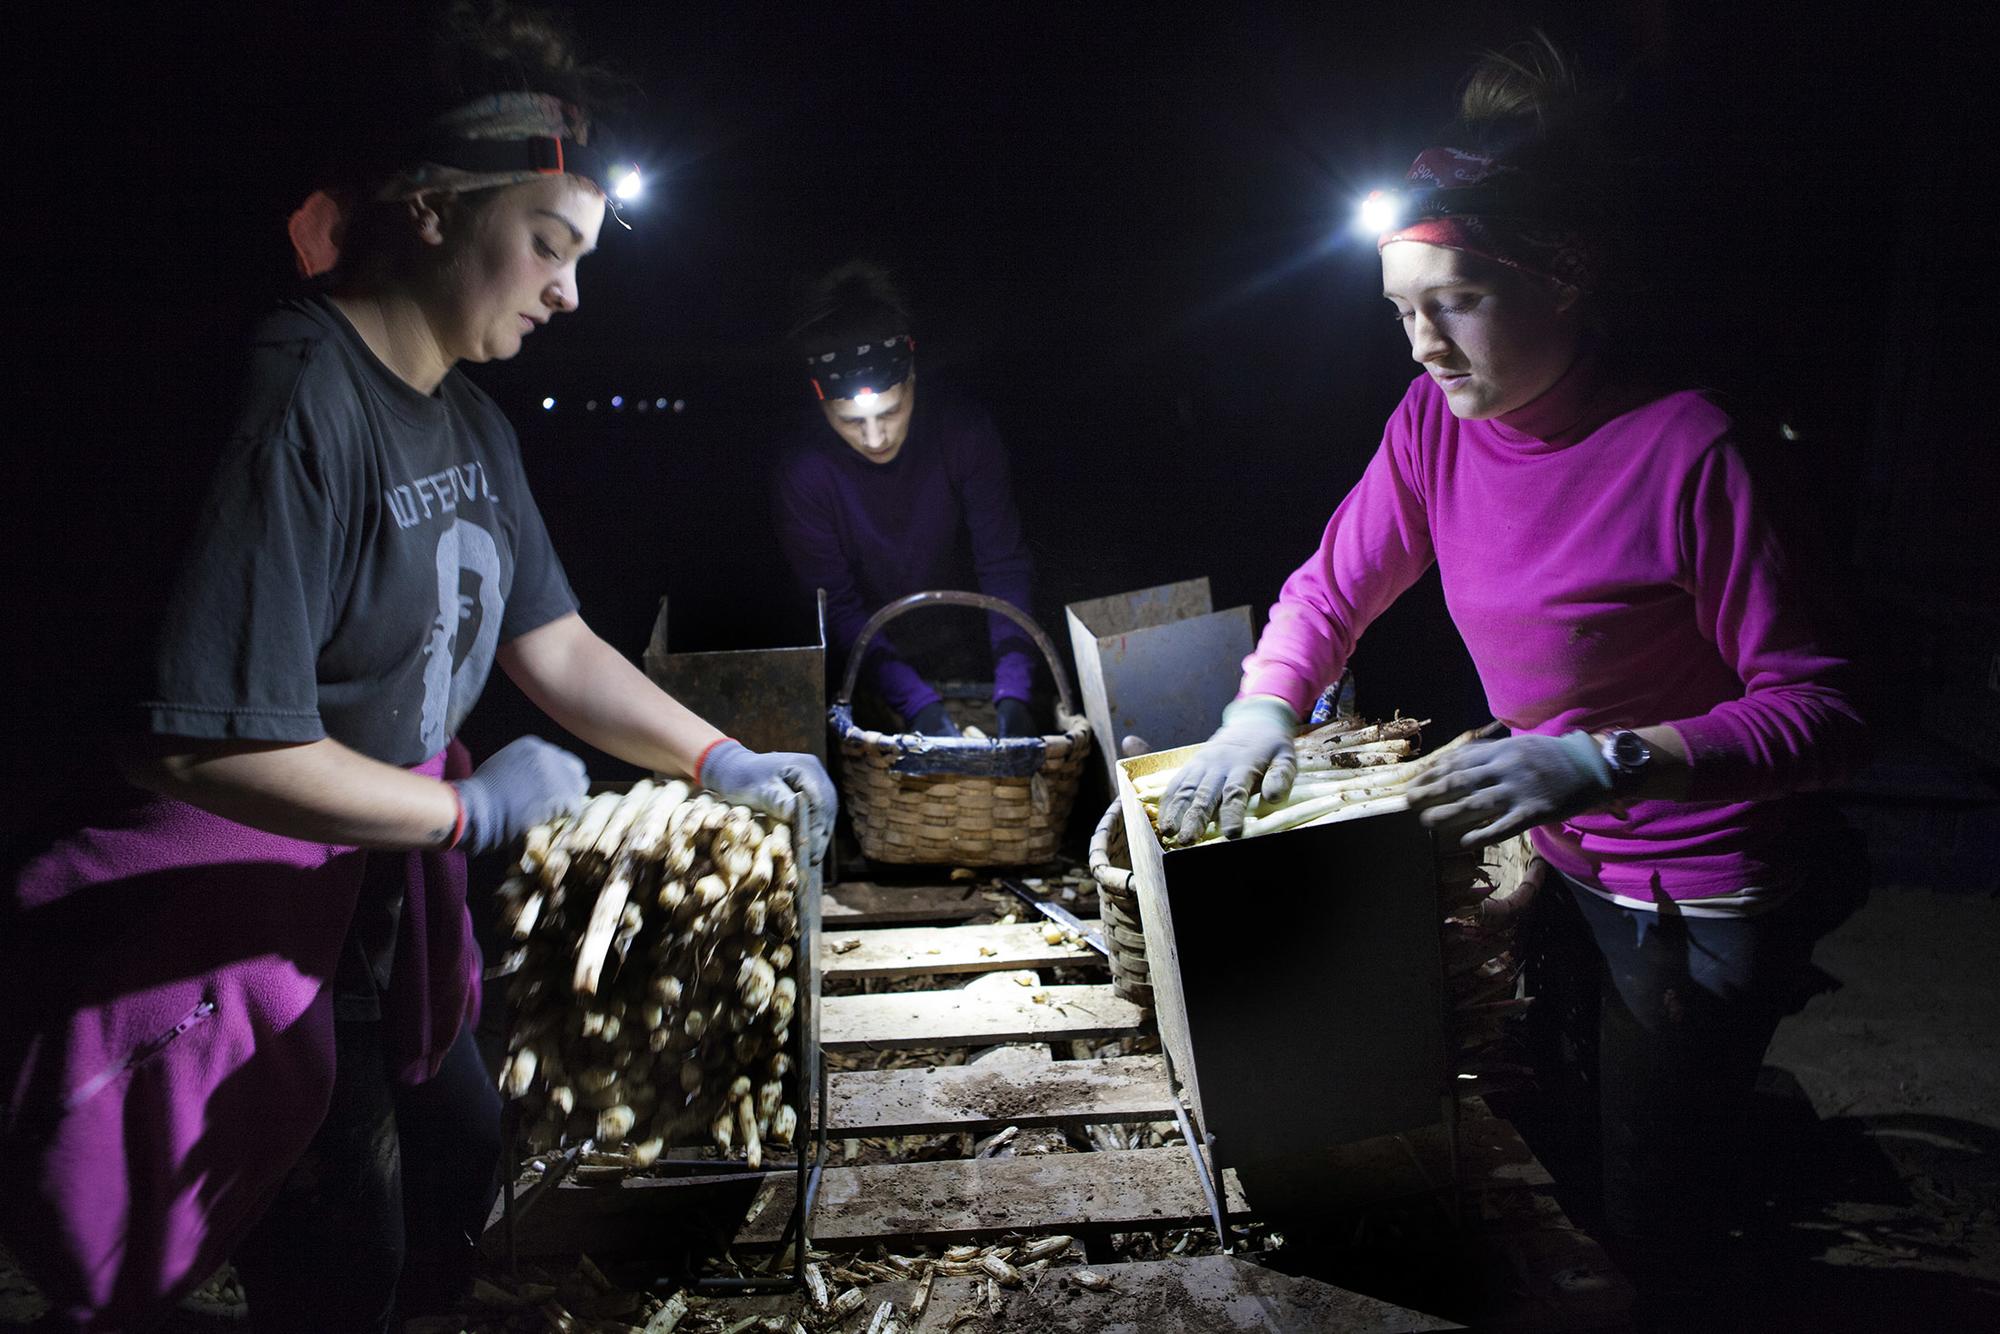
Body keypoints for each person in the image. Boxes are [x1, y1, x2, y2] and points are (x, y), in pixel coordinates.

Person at [0, 6, 834, 1330]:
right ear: (436, 208)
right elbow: (204, 744)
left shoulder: (470, 420)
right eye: (551, 246)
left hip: (370, 897)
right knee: (328, 1250)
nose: (571, 291)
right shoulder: (295, 399)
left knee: (455, 1152)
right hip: (226, 905)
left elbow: (551, 642)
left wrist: (713, 755)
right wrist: (462, 809)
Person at [1157, 36, 1868, 1313]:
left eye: (1457, 300)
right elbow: (1331, 584)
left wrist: (1605, 757)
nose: (1422, 341)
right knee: (1552, 1137)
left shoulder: (1686, 450)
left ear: (1565, 279)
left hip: (1695, 883)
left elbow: (1822, 705)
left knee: (1650, 1203)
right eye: (1399, 310)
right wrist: (1261, 704)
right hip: (1560, 848)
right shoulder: (1436, 422)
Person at [772, 262, 1040, 738]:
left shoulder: (963, 433)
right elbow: (837, 606)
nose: (875, 437)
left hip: (971, 639)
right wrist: (918, 705)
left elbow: (1002, 563)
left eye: (891, 412)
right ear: (820, 401)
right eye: (851, 420)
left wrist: (1015, 690)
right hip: (867, 661)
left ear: (912, 374)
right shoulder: (804, 475)